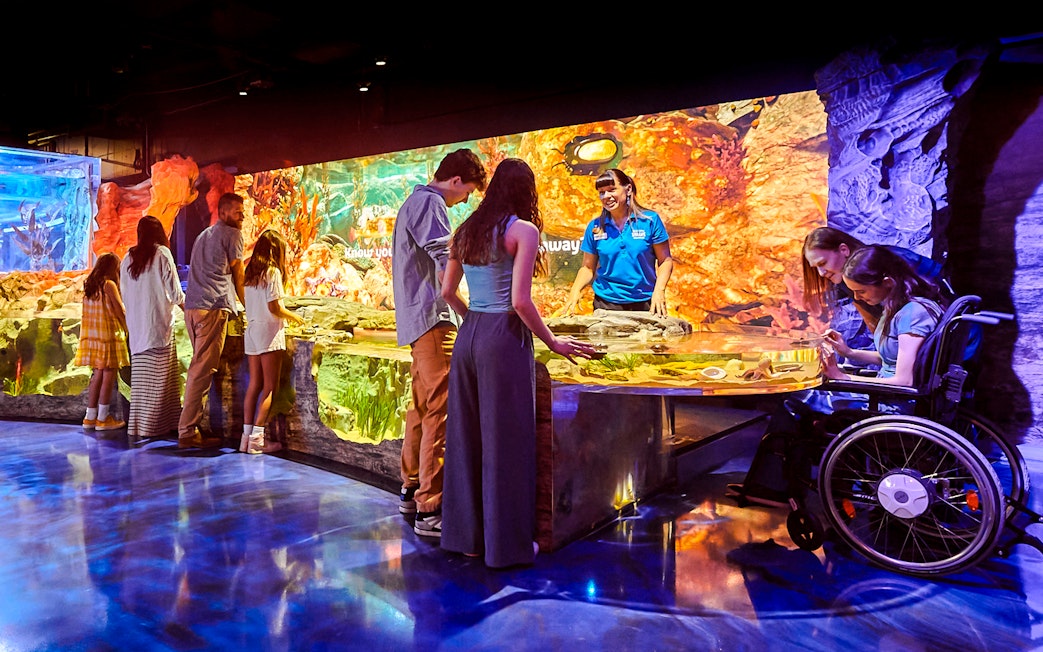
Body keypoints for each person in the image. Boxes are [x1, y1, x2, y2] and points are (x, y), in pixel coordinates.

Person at [439, 158, 597, 568]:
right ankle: (505, 548)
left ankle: (467, 540)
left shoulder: (466, 230)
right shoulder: (522, 230)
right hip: (503, 338)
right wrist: (553, 342)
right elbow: (521, 302)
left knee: (466, 437)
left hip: (469, 335)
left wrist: (473, 321)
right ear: (526, 191)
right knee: (505, 441)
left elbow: (447, 292)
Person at [391, 148, 488, 538]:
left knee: (420, 407)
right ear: (456, 180)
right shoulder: (430, 203)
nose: (464, 201)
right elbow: (445, 254)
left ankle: (411, 489)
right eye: (467, 192)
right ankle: (430, 508)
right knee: (439, 410)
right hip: (433, 320)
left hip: (419, 322)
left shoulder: (413, 203)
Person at [802, 226, 952, 350]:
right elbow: (875, 325)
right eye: (816, 268)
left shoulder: (888, 261)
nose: (821, 273)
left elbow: (938, 296)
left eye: (822, 263)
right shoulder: (843, 281)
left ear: (844, 250)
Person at [820, 245, 947, 387]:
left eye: (861, 291)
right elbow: (892, 359)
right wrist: (848, 352)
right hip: (884, 392)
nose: (856, 297)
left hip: (894, 398)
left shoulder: (914, 314)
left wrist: (842, 377)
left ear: (887, 283)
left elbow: (904, 381)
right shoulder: (895, 307)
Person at [177, 192, 246, 449]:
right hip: (212, 308)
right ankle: (187, 431)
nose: (242, 216)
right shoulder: (233, 235)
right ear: (223, 212)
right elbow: (238, 274)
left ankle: (191, 426)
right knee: (201, 371)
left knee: (198, 367)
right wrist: (250, 306)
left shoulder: (203, 235)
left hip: (193, 307)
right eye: (238, 211)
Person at [559, 168, 674, 317]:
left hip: (646, 301)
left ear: (628, 189)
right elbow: (587, 267)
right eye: (602, 192)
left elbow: (665, 260)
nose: (606, 196)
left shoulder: (650, 221)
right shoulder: (595, 227)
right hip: (606, 304)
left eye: (612, 190)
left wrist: (659, 290)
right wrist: (575, 290)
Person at [120, 216, 186, 442]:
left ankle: (140, 426)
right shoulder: (162, 254)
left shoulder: (127, 258)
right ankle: (153, 427)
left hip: (137, 329)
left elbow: (125, 294)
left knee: (142, 384)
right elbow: (176, 292)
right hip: (158, 326)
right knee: (160, 383)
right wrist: (191, 312)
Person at [241, 229, 305, 454]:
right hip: (268, 331)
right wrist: (295, 318)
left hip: (252, 330)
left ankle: (245, 439)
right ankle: (257, 440)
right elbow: (274, 307)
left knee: (254, 385)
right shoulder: (272, 272)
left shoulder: (250, 273)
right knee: (269, 387)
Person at [75, 252, 130, 431]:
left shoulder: (90, 286)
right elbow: (119, 310)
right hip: (108, 335)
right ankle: (103, 418)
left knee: (97, 374)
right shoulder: (109, 285)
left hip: (93, 337)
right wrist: (128, 328)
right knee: (108, 374)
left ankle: (90, 417)